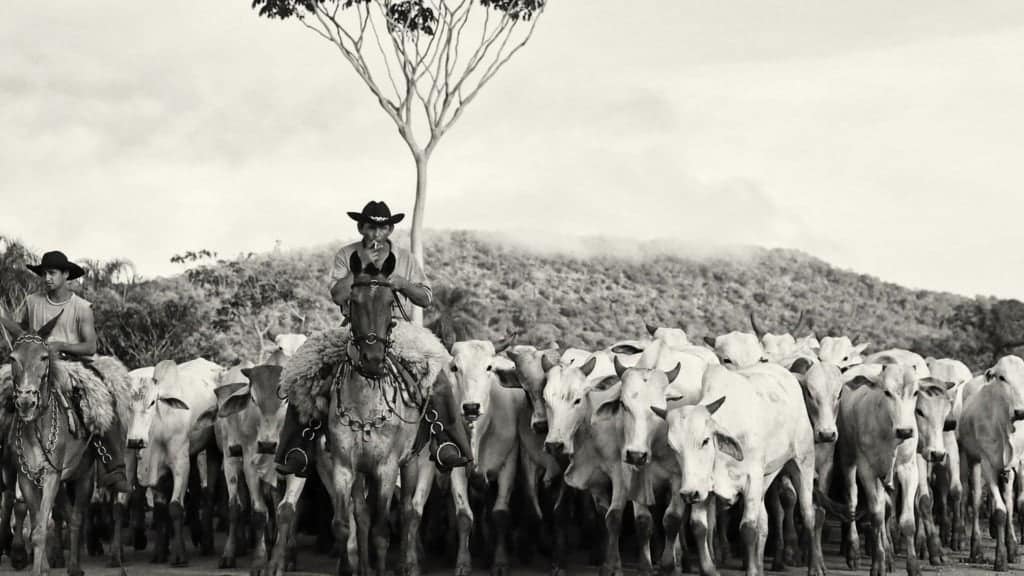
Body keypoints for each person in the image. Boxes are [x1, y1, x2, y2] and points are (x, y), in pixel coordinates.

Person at [274, 201, 473, 477]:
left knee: (436, 373)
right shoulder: (346, 254)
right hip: (353, 327)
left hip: (399, 329)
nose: (376, 233)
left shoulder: (405, 258)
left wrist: (402, 283)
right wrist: (359, 273)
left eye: (382, 227)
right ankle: (298, 447)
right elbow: (337, 295)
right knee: (305, 373)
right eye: (371, 227)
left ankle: (448, 441)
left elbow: (426, 298)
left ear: (390, 228)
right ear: (361, 227)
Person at [15, 250, 130, 492]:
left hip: (72, 364)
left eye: (52, 273)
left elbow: (90, 346)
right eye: (44, 273)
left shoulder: (81, 307)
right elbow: (18, 332)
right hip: (35, 364)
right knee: (8, 393)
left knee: (100, 402)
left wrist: (62, 346)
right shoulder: (32, 302)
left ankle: (114, 467)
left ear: (66, 275)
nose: (47, 278)